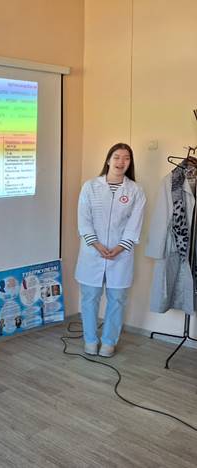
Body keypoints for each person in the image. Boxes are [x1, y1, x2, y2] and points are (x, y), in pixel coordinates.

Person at [75, 143, 146, 357]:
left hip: (120, 254)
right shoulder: (90, 186)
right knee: (89, 298)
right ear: (108, 160)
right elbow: (84, 219)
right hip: (92, 252)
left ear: (130, 163)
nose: (121, 162)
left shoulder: (136, 190)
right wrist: (96, 244)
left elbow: (135, 224)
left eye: (126, 158)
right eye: (116, 157)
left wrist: (120, 247)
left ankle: (108, 342)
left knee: (117, 300)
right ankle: (90, 340)